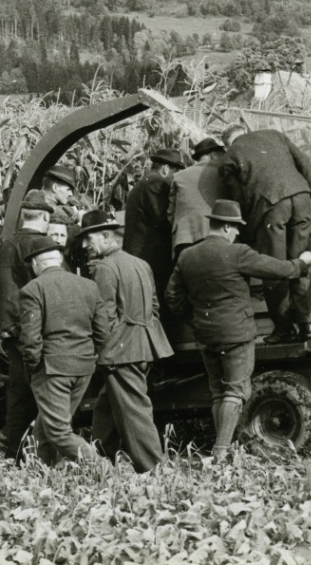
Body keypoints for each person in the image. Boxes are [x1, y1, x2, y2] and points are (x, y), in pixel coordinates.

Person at [166, 200, 311, 460]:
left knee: (218, 393)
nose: (237, 233)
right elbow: (277, 269)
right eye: (235, 228)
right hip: (236, 333)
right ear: (226, 227)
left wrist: (195, 320)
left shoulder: (187, 255)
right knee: (236, 391)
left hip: (205, 334)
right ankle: (222, 452)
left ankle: (227, 446)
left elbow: (172, 297)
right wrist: (302, 262)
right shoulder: (237, 252)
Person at [80, 210, 174, 472]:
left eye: (89, 239)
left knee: (134, 410)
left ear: (107, 236)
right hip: (143, 345)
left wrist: (105, 351)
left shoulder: (105, 268)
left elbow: (104, 319)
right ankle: (98, 462)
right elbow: (154, 309)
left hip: (120, 350)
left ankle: (155, 469)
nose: (85, 245)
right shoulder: (141, 264)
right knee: (106, 407)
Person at [220, 125, 311, 343]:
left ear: (227, 143)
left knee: (274, 268)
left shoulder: (230, 155)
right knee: (300, 261)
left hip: (271, 206)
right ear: (246, 130)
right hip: (301, 197)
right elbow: (303, 160)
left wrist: (247, 233)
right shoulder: (274, 134)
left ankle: (284, 329)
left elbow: (238, 199)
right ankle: (307, 325)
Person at [19, 236, 109, 466]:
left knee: (58, 430)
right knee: (48, 421)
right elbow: (103, 333)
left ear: (36, 265)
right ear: (59, 259)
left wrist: (33, 366)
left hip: (53, 368)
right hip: (84, 366)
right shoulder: (89, 286)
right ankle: (42, 471)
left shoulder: (33, 289)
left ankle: (103, 468)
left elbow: (30, 339)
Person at [0, 190, 53, 458]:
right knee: (45, 390)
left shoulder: (4, 246)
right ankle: (42, 451)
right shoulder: (45, 245)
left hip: (11, 328)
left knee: (17, 391)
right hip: (38, 328)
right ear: (46, 217)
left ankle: (12, 450)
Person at [124, 148, 185, 303]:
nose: (175, 178)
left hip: (142, 255)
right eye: (175, 172)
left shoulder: (146, 181)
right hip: (150, 258)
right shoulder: (156, 183)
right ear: (166, 169)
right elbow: (163, 219)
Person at [169, 137, 227, 258]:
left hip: (184, 239)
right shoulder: (224, 175)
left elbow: (171, 213)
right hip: (216, 239)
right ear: (213, 154)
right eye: (221, 155)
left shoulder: (178, 176)